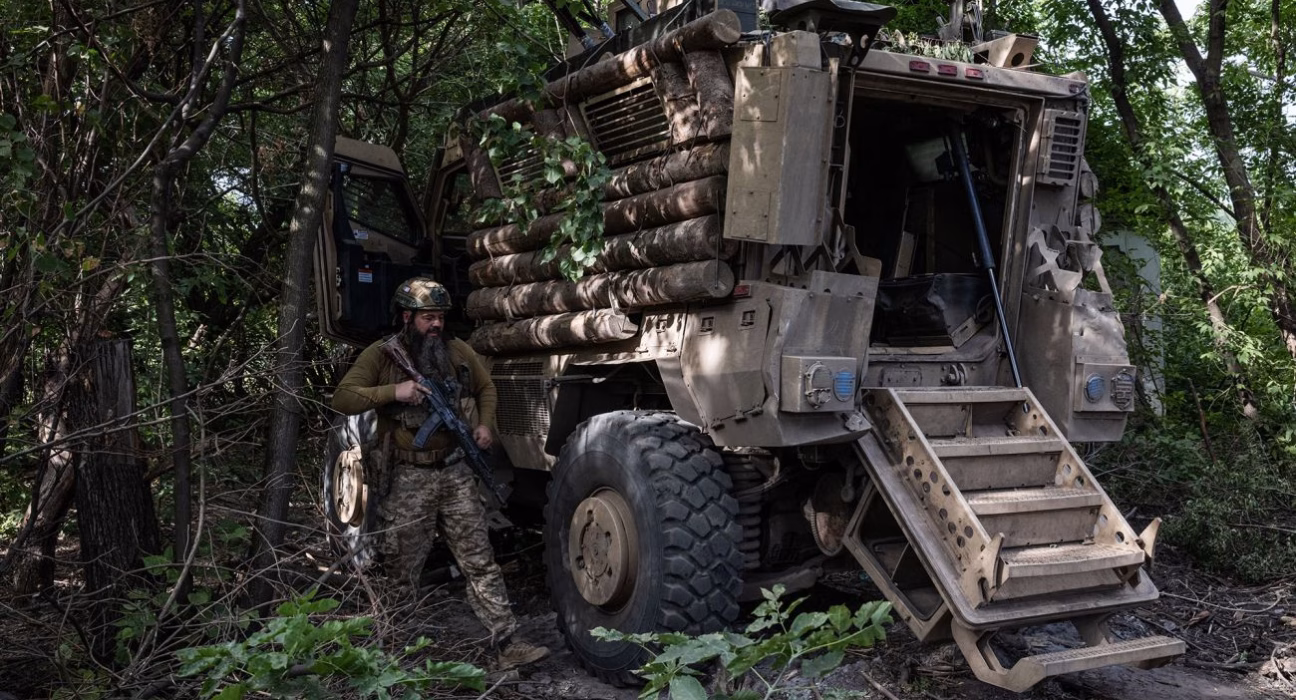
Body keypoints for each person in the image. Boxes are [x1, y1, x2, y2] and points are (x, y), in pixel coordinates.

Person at [332, 277, 548, 670]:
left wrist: (484, 425)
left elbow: (486, 388)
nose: (436, 325)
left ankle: (507, 643)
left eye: (440, 317)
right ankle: (393, 653)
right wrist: (392, 393)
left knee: (479, 560)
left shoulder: (455, 351)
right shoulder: (382, 356)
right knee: (400, 569)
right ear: (406, 316)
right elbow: (343, 396)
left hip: (454, 474)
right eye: (428, 317)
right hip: (408, 478)